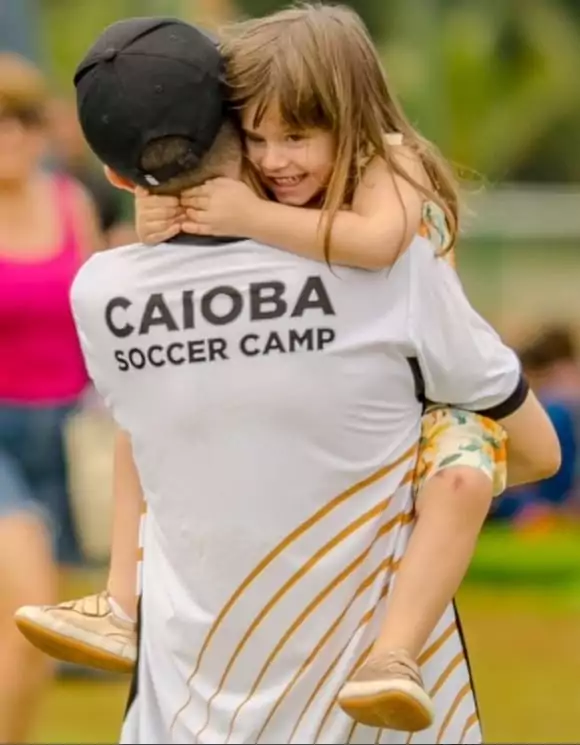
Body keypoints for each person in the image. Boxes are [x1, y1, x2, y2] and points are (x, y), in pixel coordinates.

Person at [14, 6, 560, 737]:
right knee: (134, 434)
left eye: (297, 136)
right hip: (429, 400)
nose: (276, 160)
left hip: (435, 414)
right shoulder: (318, 235)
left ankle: (390, 651)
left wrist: (239, 217)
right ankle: (119, 601)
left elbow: (376, 243)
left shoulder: (384, 184)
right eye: (260, 137)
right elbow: (537, 451)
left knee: (454, 475)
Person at [0, 52, 100, 742]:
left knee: (31, 639)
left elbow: (103, 317)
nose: (10, 137)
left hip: (64, 434)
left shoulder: (73, 202)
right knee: (33, 607)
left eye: (22, 121)